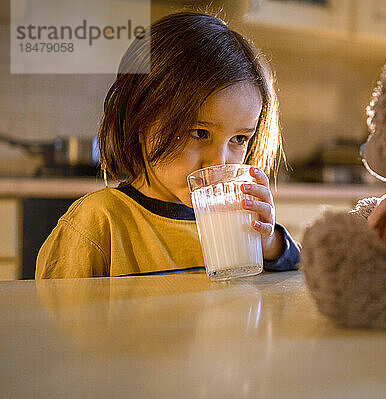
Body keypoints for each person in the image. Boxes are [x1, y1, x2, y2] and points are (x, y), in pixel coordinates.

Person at [35, 12, 300, 278]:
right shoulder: (99, 223)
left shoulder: (233, 225)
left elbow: (294, 276)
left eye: (239, 139)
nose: (219, 163)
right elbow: (57, 316)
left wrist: (268, 243)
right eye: (199, 133)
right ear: (140, 120)